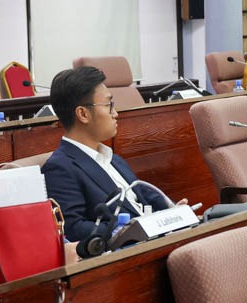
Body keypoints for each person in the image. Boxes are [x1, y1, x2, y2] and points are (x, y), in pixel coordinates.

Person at [42, 66, 172, 243]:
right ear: (83, 114)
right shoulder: (60, 168)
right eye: (109, 105)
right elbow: (73, 229)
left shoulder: (112, 159)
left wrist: (174, 211)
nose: (115, 113)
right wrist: (131, 228)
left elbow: (143, 195)